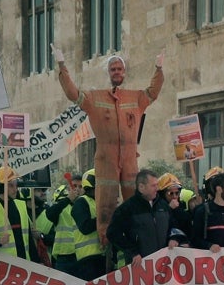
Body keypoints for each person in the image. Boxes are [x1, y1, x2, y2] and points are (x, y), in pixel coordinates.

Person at [55, 48, 164, 212]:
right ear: (108, 72)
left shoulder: (135, 98)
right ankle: (105, 237)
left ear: (125, 72)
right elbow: (73, 94)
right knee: (106, 205)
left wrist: (159, 69)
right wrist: (62, 66)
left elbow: (153, 92)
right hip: (106, 159)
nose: (116, 72)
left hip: (129, 159)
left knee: (134, 203)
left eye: (119, 69)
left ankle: (134, 235)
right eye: (113, 69)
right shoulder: (95, 98)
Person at [109, 169, 176, 266]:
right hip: (140, 267)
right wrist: (132, 252)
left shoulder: (163, 205)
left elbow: (173, 225)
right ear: (141, 187)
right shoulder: (127, 208)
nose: (157, 188)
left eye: (157, 185)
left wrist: (174, 238)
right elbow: (112, 233)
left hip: (163, 265)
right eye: (153, 185)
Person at [70, 169, 108, 280]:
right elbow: (85, 227)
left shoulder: (99, 202)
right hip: (87, 259)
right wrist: (105, 218)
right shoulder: (81, 202)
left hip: (102, 256)